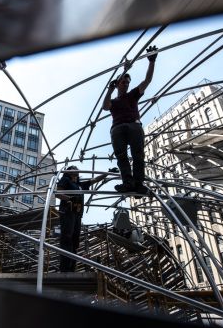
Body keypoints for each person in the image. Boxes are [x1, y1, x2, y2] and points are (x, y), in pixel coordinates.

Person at [102, 46, 158, 193]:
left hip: (133, 126)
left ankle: (138, 184)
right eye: (124, 82)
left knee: (138, 154)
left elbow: (148, 80)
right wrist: (110, 89)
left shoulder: (133, 94)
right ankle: (128, 182)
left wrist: (151, 61)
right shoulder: (113, 101)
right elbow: (105, 107)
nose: (126, 84)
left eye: (128, 83)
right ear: (118, 84)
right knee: (122, 156)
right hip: (118, 128)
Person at [55, 166, 112, 272]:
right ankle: (65, 267)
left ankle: (71, 267)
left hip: (77, 214)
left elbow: (94, 180)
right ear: (68, 172)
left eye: (77, 169)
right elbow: (58, 193)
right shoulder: (66, 180)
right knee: (67, 237)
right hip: (68, 211)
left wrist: (107, 173)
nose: (76, 170)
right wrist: (69, 198)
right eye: (73, 168)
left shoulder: (79, 184)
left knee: (75, 240)